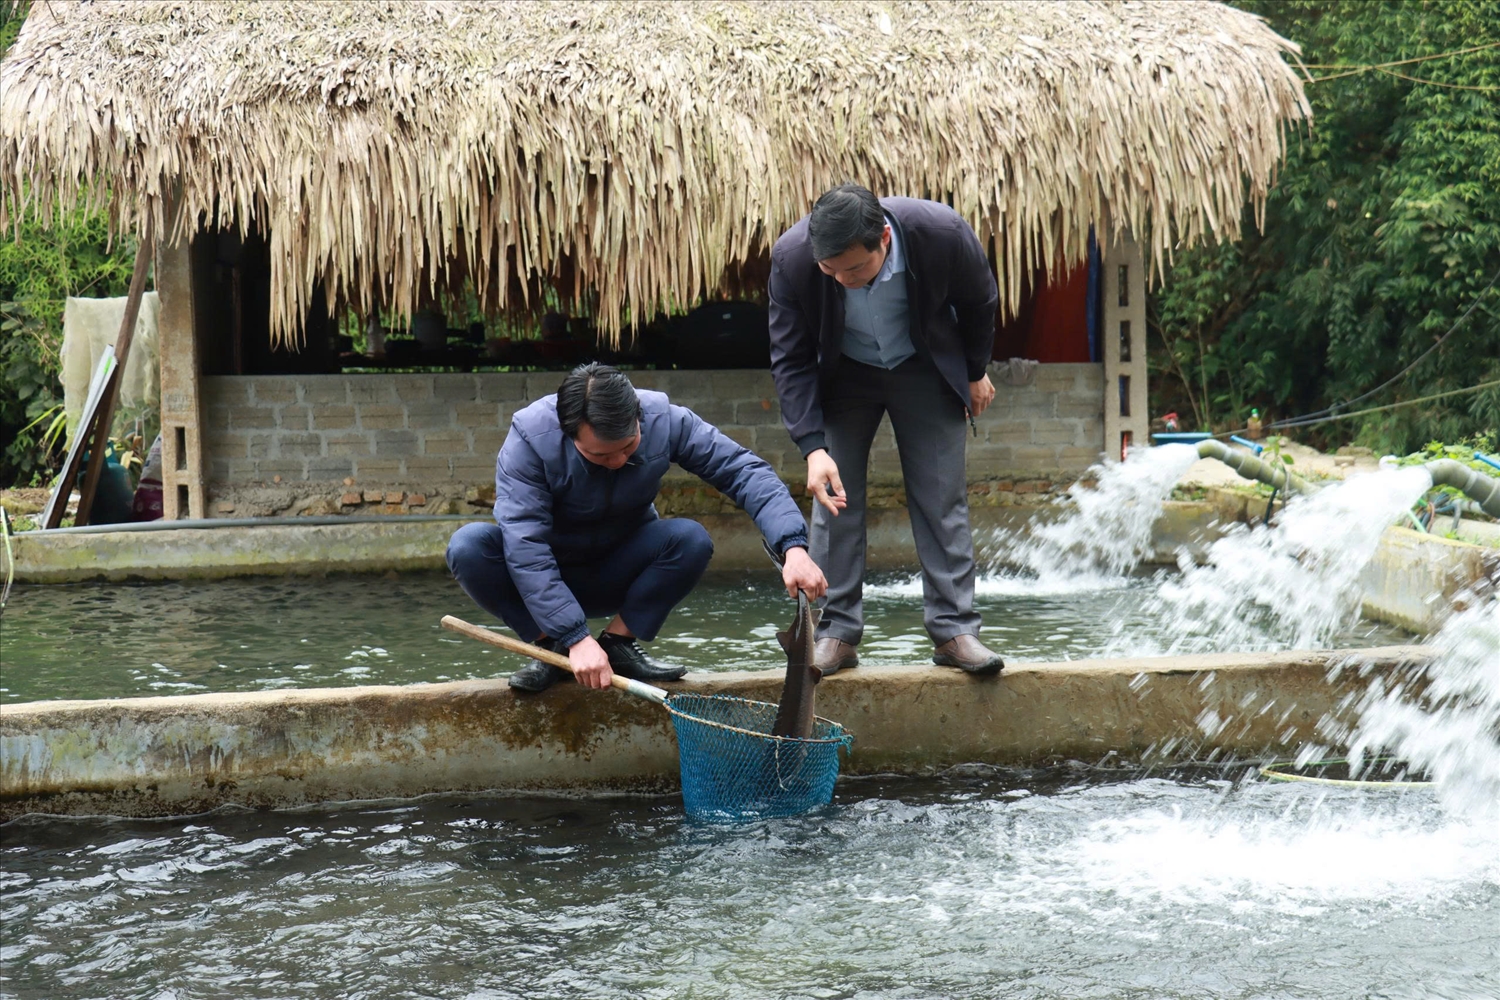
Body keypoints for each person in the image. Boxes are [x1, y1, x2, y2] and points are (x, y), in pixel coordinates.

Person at [447, 362, 827, 692]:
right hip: (544, 579)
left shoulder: (667, 420)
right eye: (599, 454)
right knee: (468, 547)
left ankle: (618, 644)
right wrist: (574, 637)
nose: (616, 461)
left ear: (638, 418)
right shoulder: (529, 440)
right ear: (569, 434)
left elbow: (744, 472)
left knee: (690, 539)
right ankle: (552, 649)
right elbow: (525, 547)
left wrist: (793, 546)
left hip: (619, 568)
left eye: (628, 448)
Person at [768, 183, 1005, 677]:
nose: (842, 279)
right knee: (834, 499)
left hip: (923, 365)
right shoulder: (792, 259)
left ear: (884, 240)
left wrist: (974, 370)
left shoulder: (941, 233)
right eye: (830, 270)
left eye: (855, 268)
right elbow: (790, 358)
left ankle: (955, 630)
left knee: (941, 496)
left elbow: (981, 302)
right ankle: (835, 633)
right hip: (844, 374)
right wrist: (812, 446)